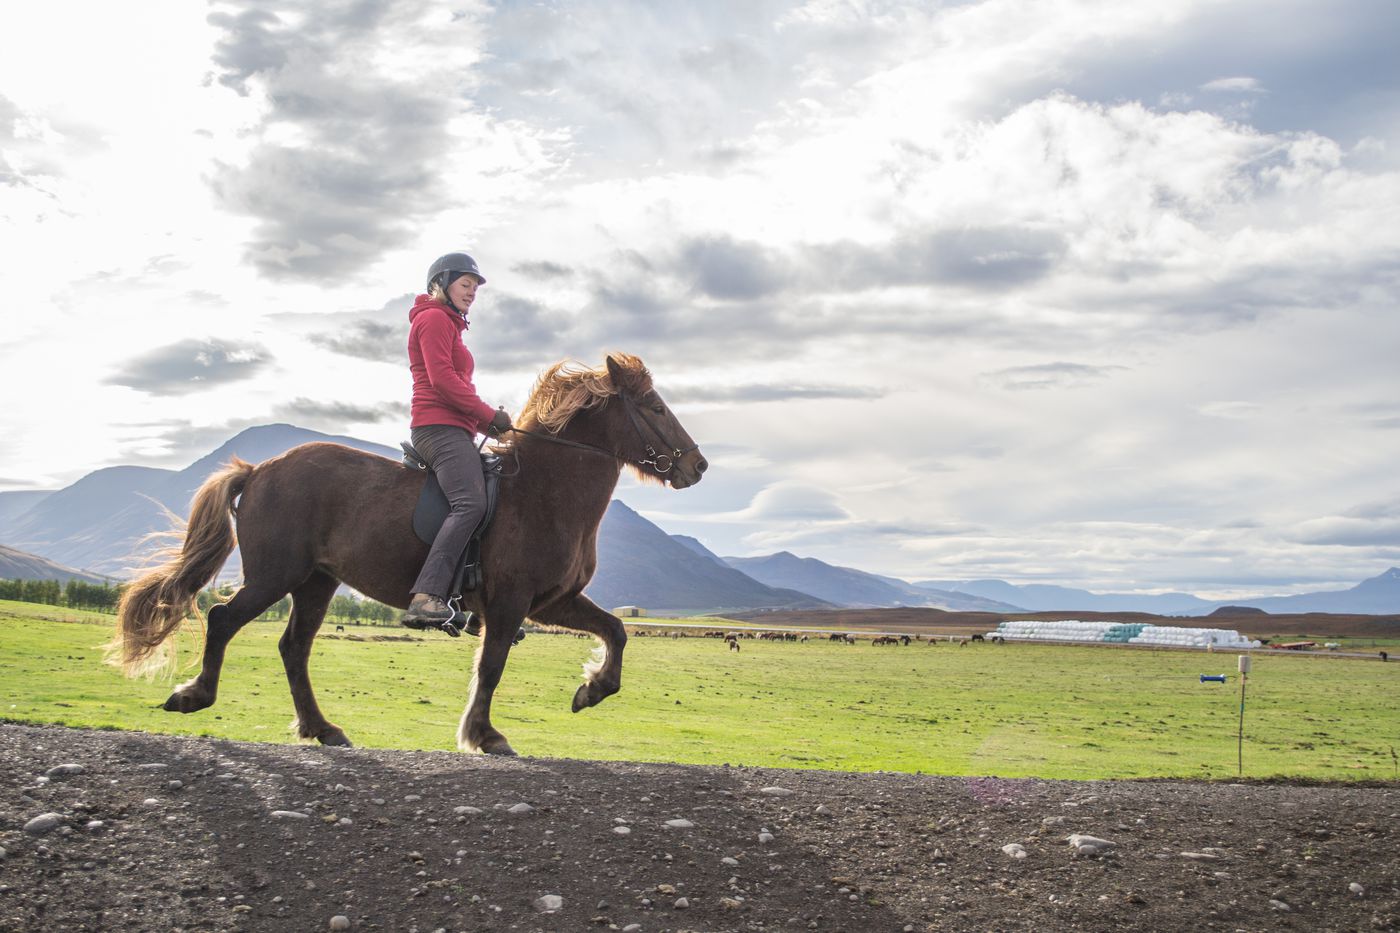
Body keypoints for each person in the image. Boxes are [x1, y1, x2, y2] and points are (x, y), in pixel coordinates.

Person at [400, 252, 512, 628]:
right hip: (437, 428)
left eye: (476, 287)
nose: (472, 292)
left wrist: (489, 428)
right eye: (466, 284)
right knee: (469, 503)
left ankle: (470, 598)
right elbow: (443, 382)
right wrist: (488, 417)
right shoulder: (433, 318)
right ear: (442, 283)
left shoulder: (449, 323)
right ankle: (427, 596)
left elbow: (457, 388)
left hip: (455, 427)